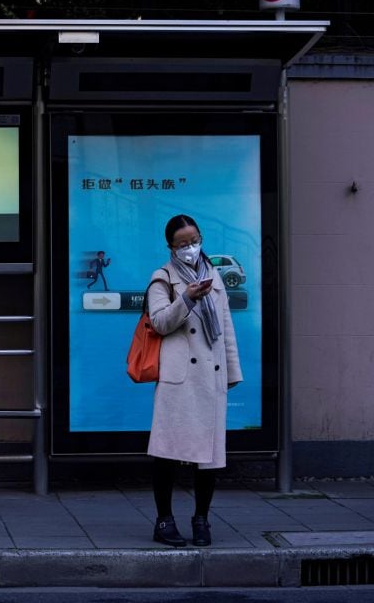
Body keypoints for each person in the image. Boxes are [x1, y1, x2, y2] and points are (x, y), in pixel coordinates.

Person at [145, 214, 242, 548]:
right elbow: (159, 322)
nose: (191, 247)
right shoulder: (163, 278)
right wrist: (185, 298)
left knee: (209, 455)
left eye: (194, 239)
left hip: (210, 375)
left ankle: (202, 519)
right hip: (179, 377)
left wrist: (232, 370)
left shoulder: (213, 274)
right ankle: (164, 520)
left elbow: (225, 327)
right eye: (183, 243)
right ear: (171, 246)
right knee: (167, 452)